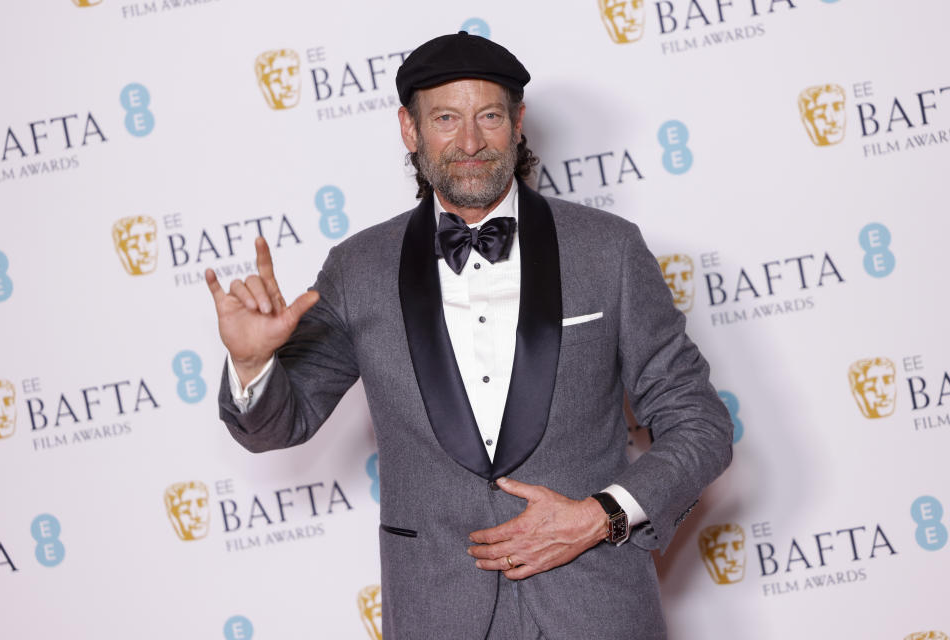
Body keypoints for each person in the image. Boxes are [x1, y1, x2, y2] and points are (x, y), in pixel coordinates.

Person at [207, 31, 732, 640]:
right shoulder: (359, 268)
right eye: (446, 119)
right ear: (410, 130)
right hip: (437, 612)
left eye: (488, 116)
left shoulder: (608, 250)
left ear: (517, 123)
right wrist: (251, 365)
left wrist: (602, 515)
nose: (470, 141)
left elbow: (699, 423)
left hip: (595, 607)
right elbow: (280, 425)